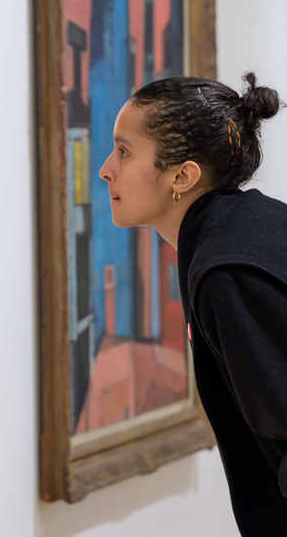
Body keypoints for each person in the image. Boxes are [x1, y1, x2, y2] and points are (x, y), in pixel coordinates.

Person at [99, 73, 287, 536]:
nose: (106, 169)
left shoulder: (228, 272)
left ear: (182, 176)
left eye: (124, 151)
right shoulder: (252, 224)